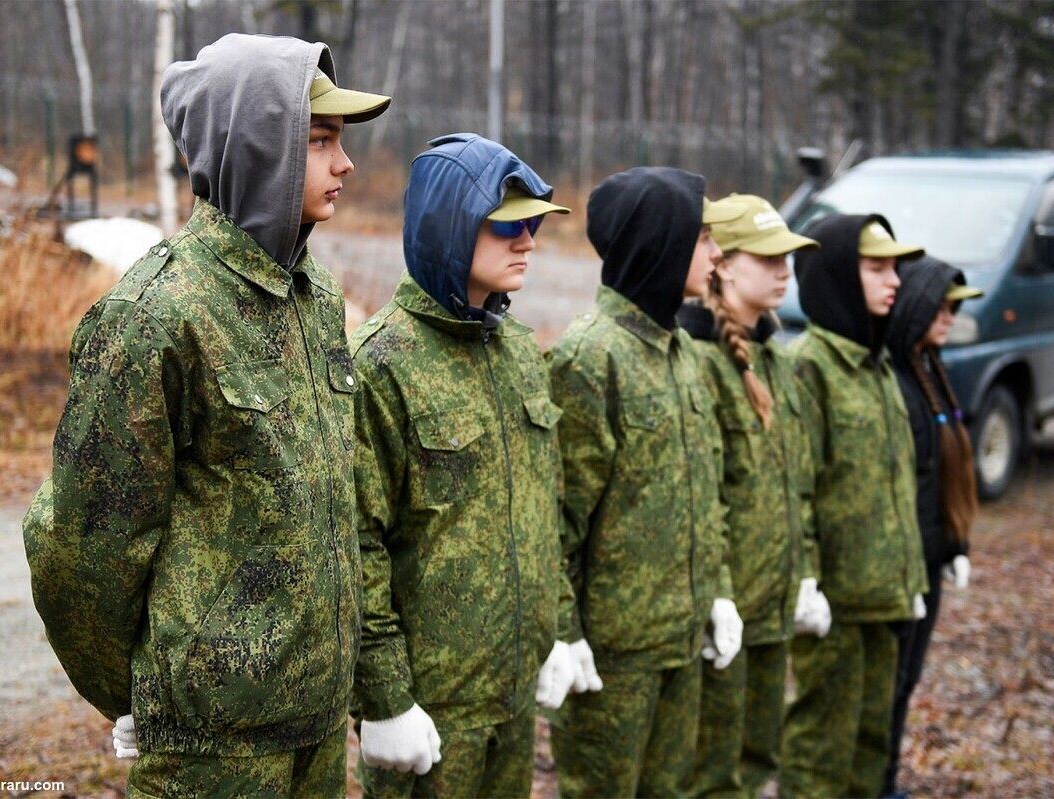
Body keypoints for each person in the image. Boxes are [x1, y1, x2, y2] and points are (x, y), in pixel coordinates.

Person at [23, 33, 390, 797]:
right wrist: (137, 695)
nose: (345, 163)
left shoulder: (314, 299)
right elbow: (82, 547)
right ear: (260, 148)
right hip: (212, 748)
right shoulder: (160, 313)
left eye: (340, 142)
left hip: (315, 728)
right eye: (319, 141)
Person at [350, 133, 575, 799]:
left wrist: (554, 631)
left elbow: (542, 510)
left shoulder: (520, 354)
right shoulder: (380, 364)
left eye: (533, 224)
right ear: (450, 227)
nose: (528, 240)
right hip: (430, 713)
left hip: (512, 695)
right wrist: (386, 698)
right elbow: (357, 543)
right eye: (508, 226)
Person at [548, 166, 743, 798]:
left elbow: (704, 491)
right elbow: (557, 521)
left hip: (679, 640)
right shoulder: (591, 356)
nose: (716, 254)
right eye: (703, 238)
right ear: (661, 242)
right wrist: (566, 633)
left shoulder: (681, 350)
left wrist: (714, 591)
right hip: (614, 654)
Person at [779, 214, 929, 799]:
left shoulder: (878, 363)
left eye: (895, 267)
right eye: (876, 268)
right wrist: (809, 581)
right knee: (822, 748)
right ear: (840, 274)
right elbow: (799, 487)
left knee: (872, 743)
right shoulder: (810, 366)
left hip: (884, 596)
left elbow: (895, 481)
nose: (893, 280)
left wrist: (910, 572)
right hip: (836, 604)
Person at [676, 194, 819, 797]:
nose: (785, 270)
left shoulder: (778, 361)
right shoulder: (700, 362)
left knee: (759, 757)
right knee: (712, 772)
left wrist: (805, 573)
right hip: (724, 612)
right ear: (724, 264)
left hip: (772, 607)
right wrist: (720, 594)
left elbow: (797, 485)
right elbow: (703, 499)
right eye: (768, 257)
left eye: (788, 257)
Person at [882, 255, 982, 799]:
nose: (947, 318)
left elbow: (948, 473)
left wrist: (955, 543)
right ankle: (875, 784)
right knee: (889, 685)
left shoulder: (932, 371)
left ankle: (887, 780)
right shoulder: (897, 381)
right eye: (939, 307)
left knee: (908, 681)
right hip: (905, 566)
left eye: (953, 310)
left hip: (931, 558)